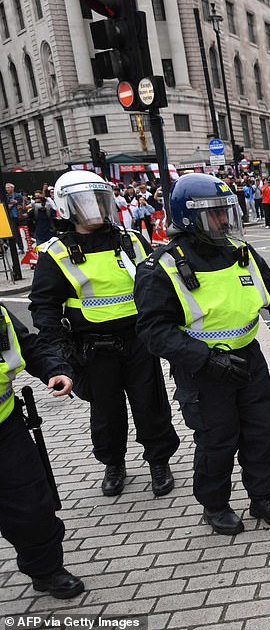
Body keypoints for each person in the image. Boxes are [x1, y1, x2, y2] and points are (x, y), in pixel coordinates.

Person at [133, 173, 270, 535]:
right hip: (203, 371)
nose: (223, 220)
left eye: (224, 211)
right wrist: (205, 359)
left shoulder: (239, 251)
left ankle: (262, 497)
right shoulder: (162, 267)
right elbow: (154, 332)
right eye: (214, 214)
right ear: (190, 218)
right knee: (217, 439)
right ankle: (215, 506)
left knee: (261, 432)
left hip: (248, 360)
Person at [29, 170, 180, 498]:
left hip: (139, 341)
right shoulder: (56, 252)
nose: (95, 208)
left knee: (150, 405)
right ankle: (114, 464)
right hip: (93, 348)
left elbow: (157, 284)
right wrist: (59, 351)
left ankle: (159, 461)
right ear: (68, 207)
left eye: (100, 200)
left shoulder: (130, 240)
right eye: (86, 202)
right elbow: (44, 306)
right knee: (106, 413)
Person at [0, 303, 82, 599]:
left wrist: (56, 368)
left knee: (32, 504)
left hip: (6, 428)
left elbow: (29, 347)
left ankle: (46, 571)